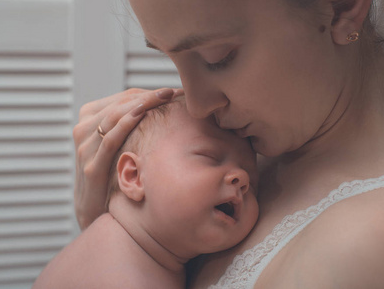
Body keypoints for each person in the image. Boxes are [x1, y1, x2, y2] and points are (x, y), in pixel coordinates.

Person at [73, 0, 384, 287]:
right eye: (170, 58)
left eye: (217, 57)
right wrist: (116, 235)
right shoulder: (232, 146)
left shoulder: (374, 238)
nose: (197, 106)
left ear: (342, 4)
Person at [34, 98, 259, 289]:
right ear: (133, 176)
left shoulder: (140, 248)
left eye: (252, 178)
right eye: (210, 157)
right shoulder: (122, 275)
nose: (242, 178)